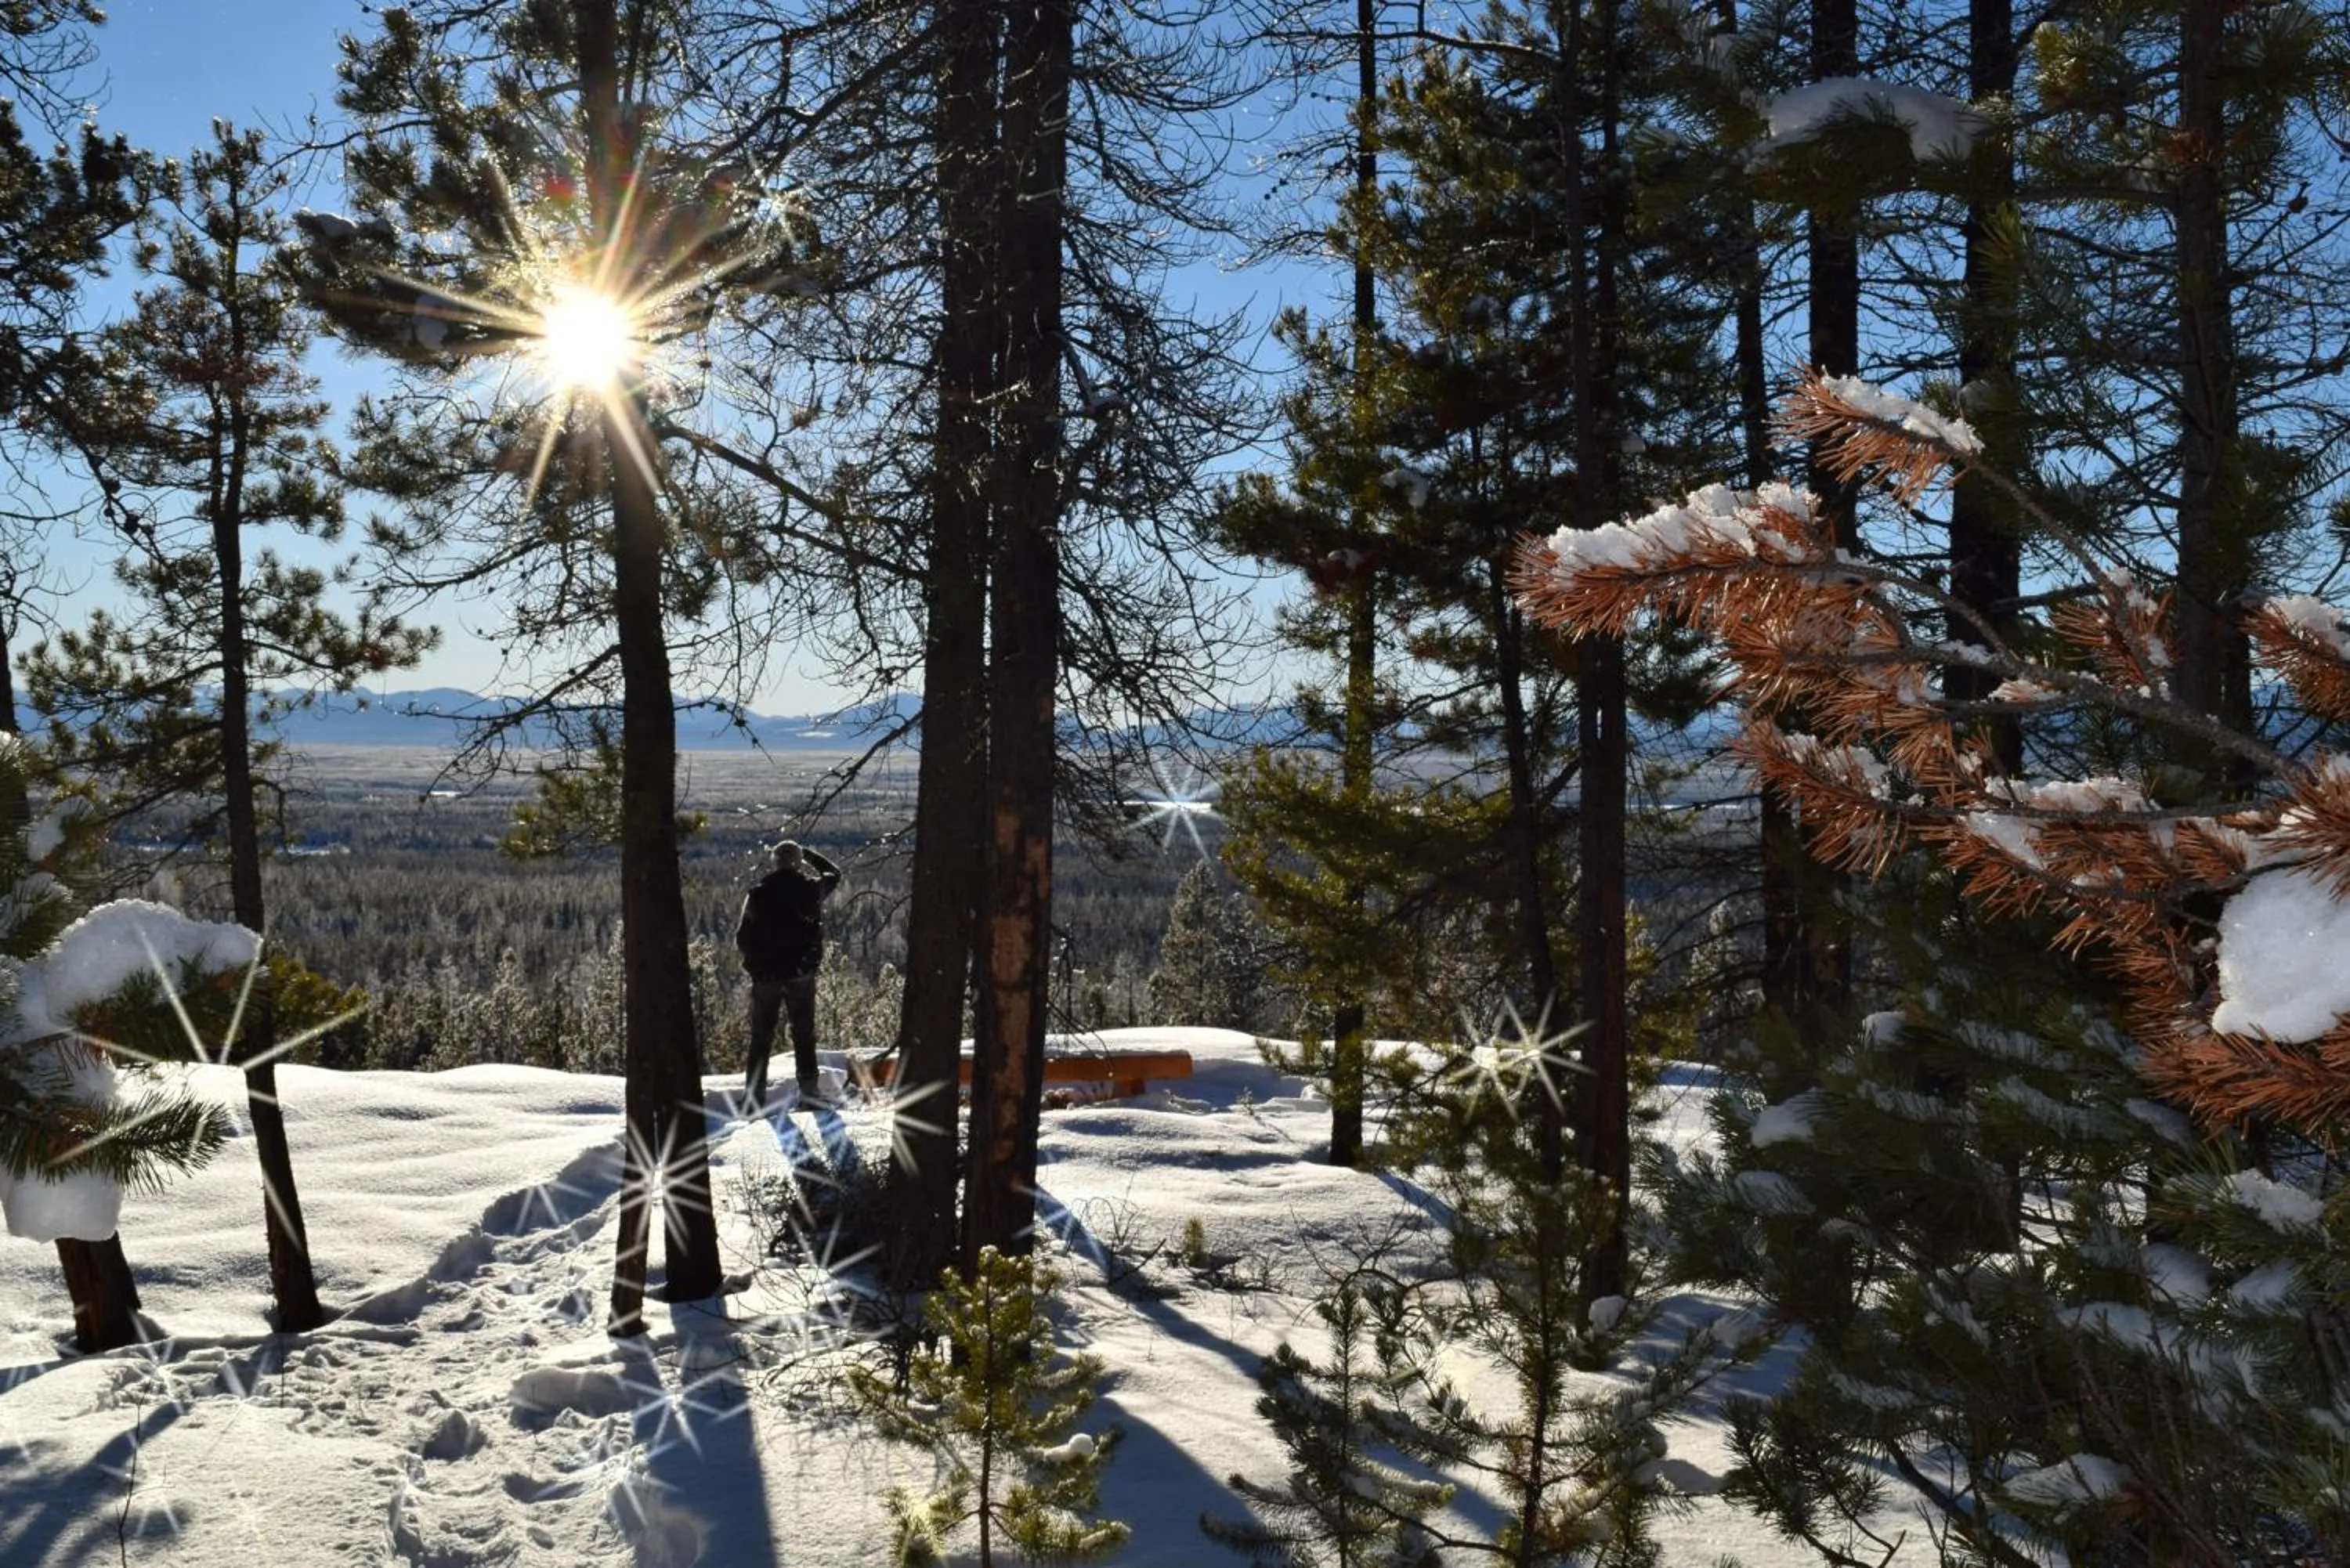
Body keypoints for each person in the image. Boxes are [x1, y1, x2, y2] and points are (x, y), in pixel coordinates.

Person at [733, 839, 841, 1109]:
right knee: (804, 1033)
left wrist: (755, 966)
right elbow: (834, 874)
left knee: (761, 1037)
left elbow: (742, 938)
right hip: (800, 973)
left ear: (775, 862)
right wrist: (809, 855)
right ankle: (809, 1094)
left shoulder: (758, 894)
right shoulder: (811, 889)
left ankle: (753, 1098)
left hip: (766, 977)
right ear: (797, 862)